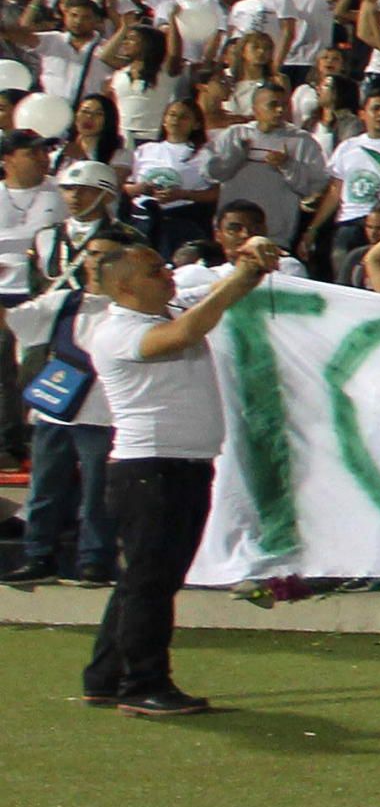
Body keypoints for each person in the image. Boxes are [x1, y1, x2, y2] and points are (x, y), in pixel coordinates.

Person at [73, 232, 283, 715]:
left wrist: (251, 256)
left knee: (144, 580)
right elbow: (187, 333)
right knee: (151, 582)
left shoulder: (158, 312)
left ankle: (106, 676)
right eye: (155, 271)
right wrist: (243, 277)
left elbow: (210, 301)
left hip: (173, 466)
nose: (167, 274)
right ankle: (143, 684)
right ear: (125, 287)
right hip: (152, 469)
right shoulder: (116, 332)